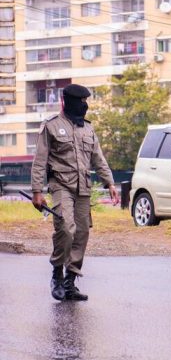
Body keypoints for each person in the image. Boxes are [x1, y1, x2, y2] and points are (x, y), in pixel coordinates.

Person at [30, 84, 119, 301]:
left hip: (83, 187)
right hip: (61, 185)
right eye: (80, 101)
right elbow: (39, 161)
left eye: (86, 101)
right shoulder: (51, 126)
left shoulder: (87, 128)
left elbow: (98, 158)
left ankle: (70, 281)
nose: (84, 105)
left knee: (81, 234)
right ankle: (57, 275)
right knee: (66, 229)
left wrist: (110, 183)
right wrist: (37, 191)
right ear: (68, 101)